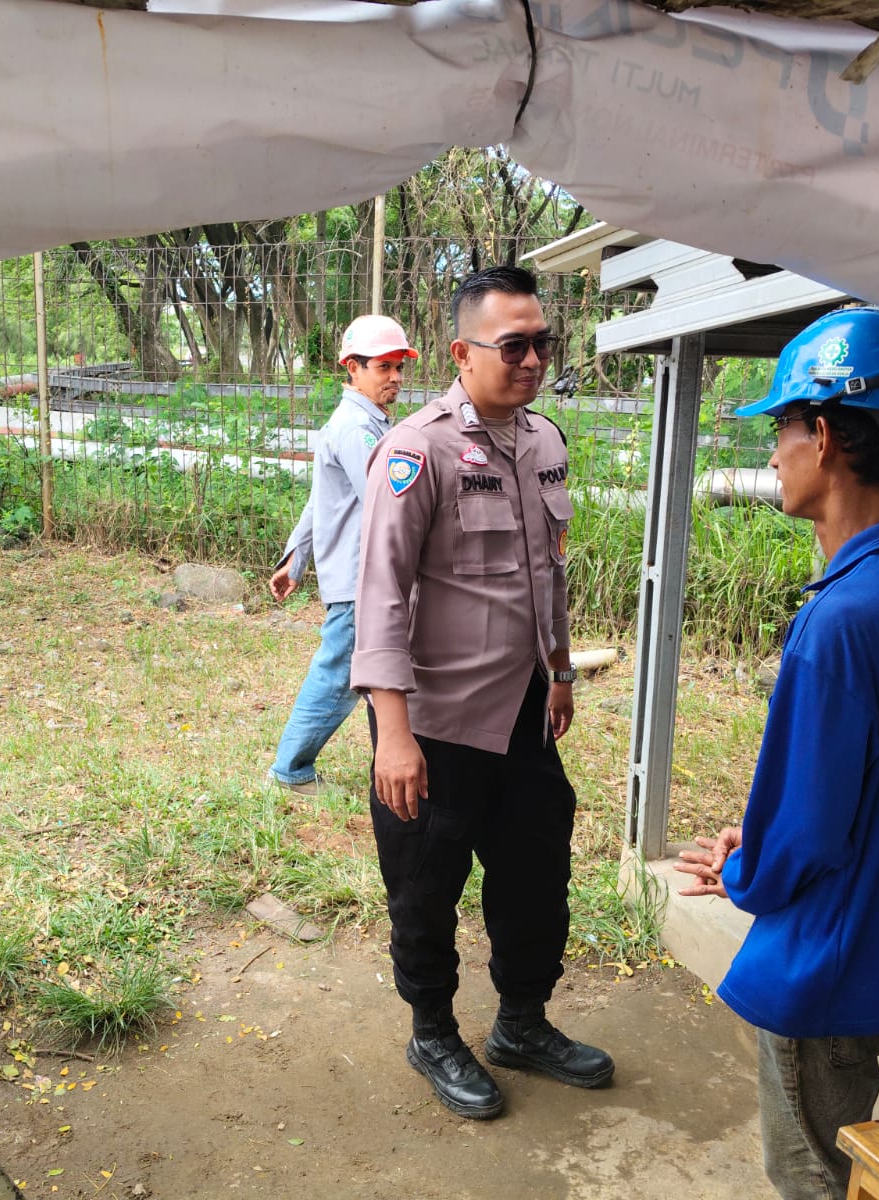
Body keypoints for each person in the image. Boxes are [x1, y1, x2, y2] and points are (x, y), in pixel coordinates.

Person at [675, 306, 879, 1200]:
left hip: (836, 957)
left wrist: (747, 870)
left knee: (814, 1172)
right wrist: (771, 842)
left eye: (780, 429)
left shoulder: (842, 620)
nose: (774, 454)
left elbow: (809, 833)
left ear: (822, 436)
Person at [351, 265, 611, 1120]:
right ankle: (432, 1032)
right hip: (436, 724)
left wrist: (560, 672)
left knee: (537, 876)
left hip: (524, 712)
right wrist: (393, 734)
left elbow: (549, 575)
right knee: (425, 889)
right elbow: (380, 596)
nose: (533, 359)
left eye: (544, 343)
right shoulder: (416, 451)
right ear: (462, 353)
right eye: (514, 345)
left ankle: (521, 1023)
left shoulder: (545, 442)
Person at [266, 316, 418, 795]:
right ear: (353, 368)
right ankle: (290, 770)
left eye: (399, 367)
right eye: (383, 367)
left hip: (357, 575)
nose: (395, 377)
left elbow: (320, 501)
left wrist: (296, 559)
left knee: (361, 666)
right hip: (360, 579)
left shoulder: (361, 423)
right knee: (340, 672)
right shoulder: (357, 430)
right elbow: (387, 503)